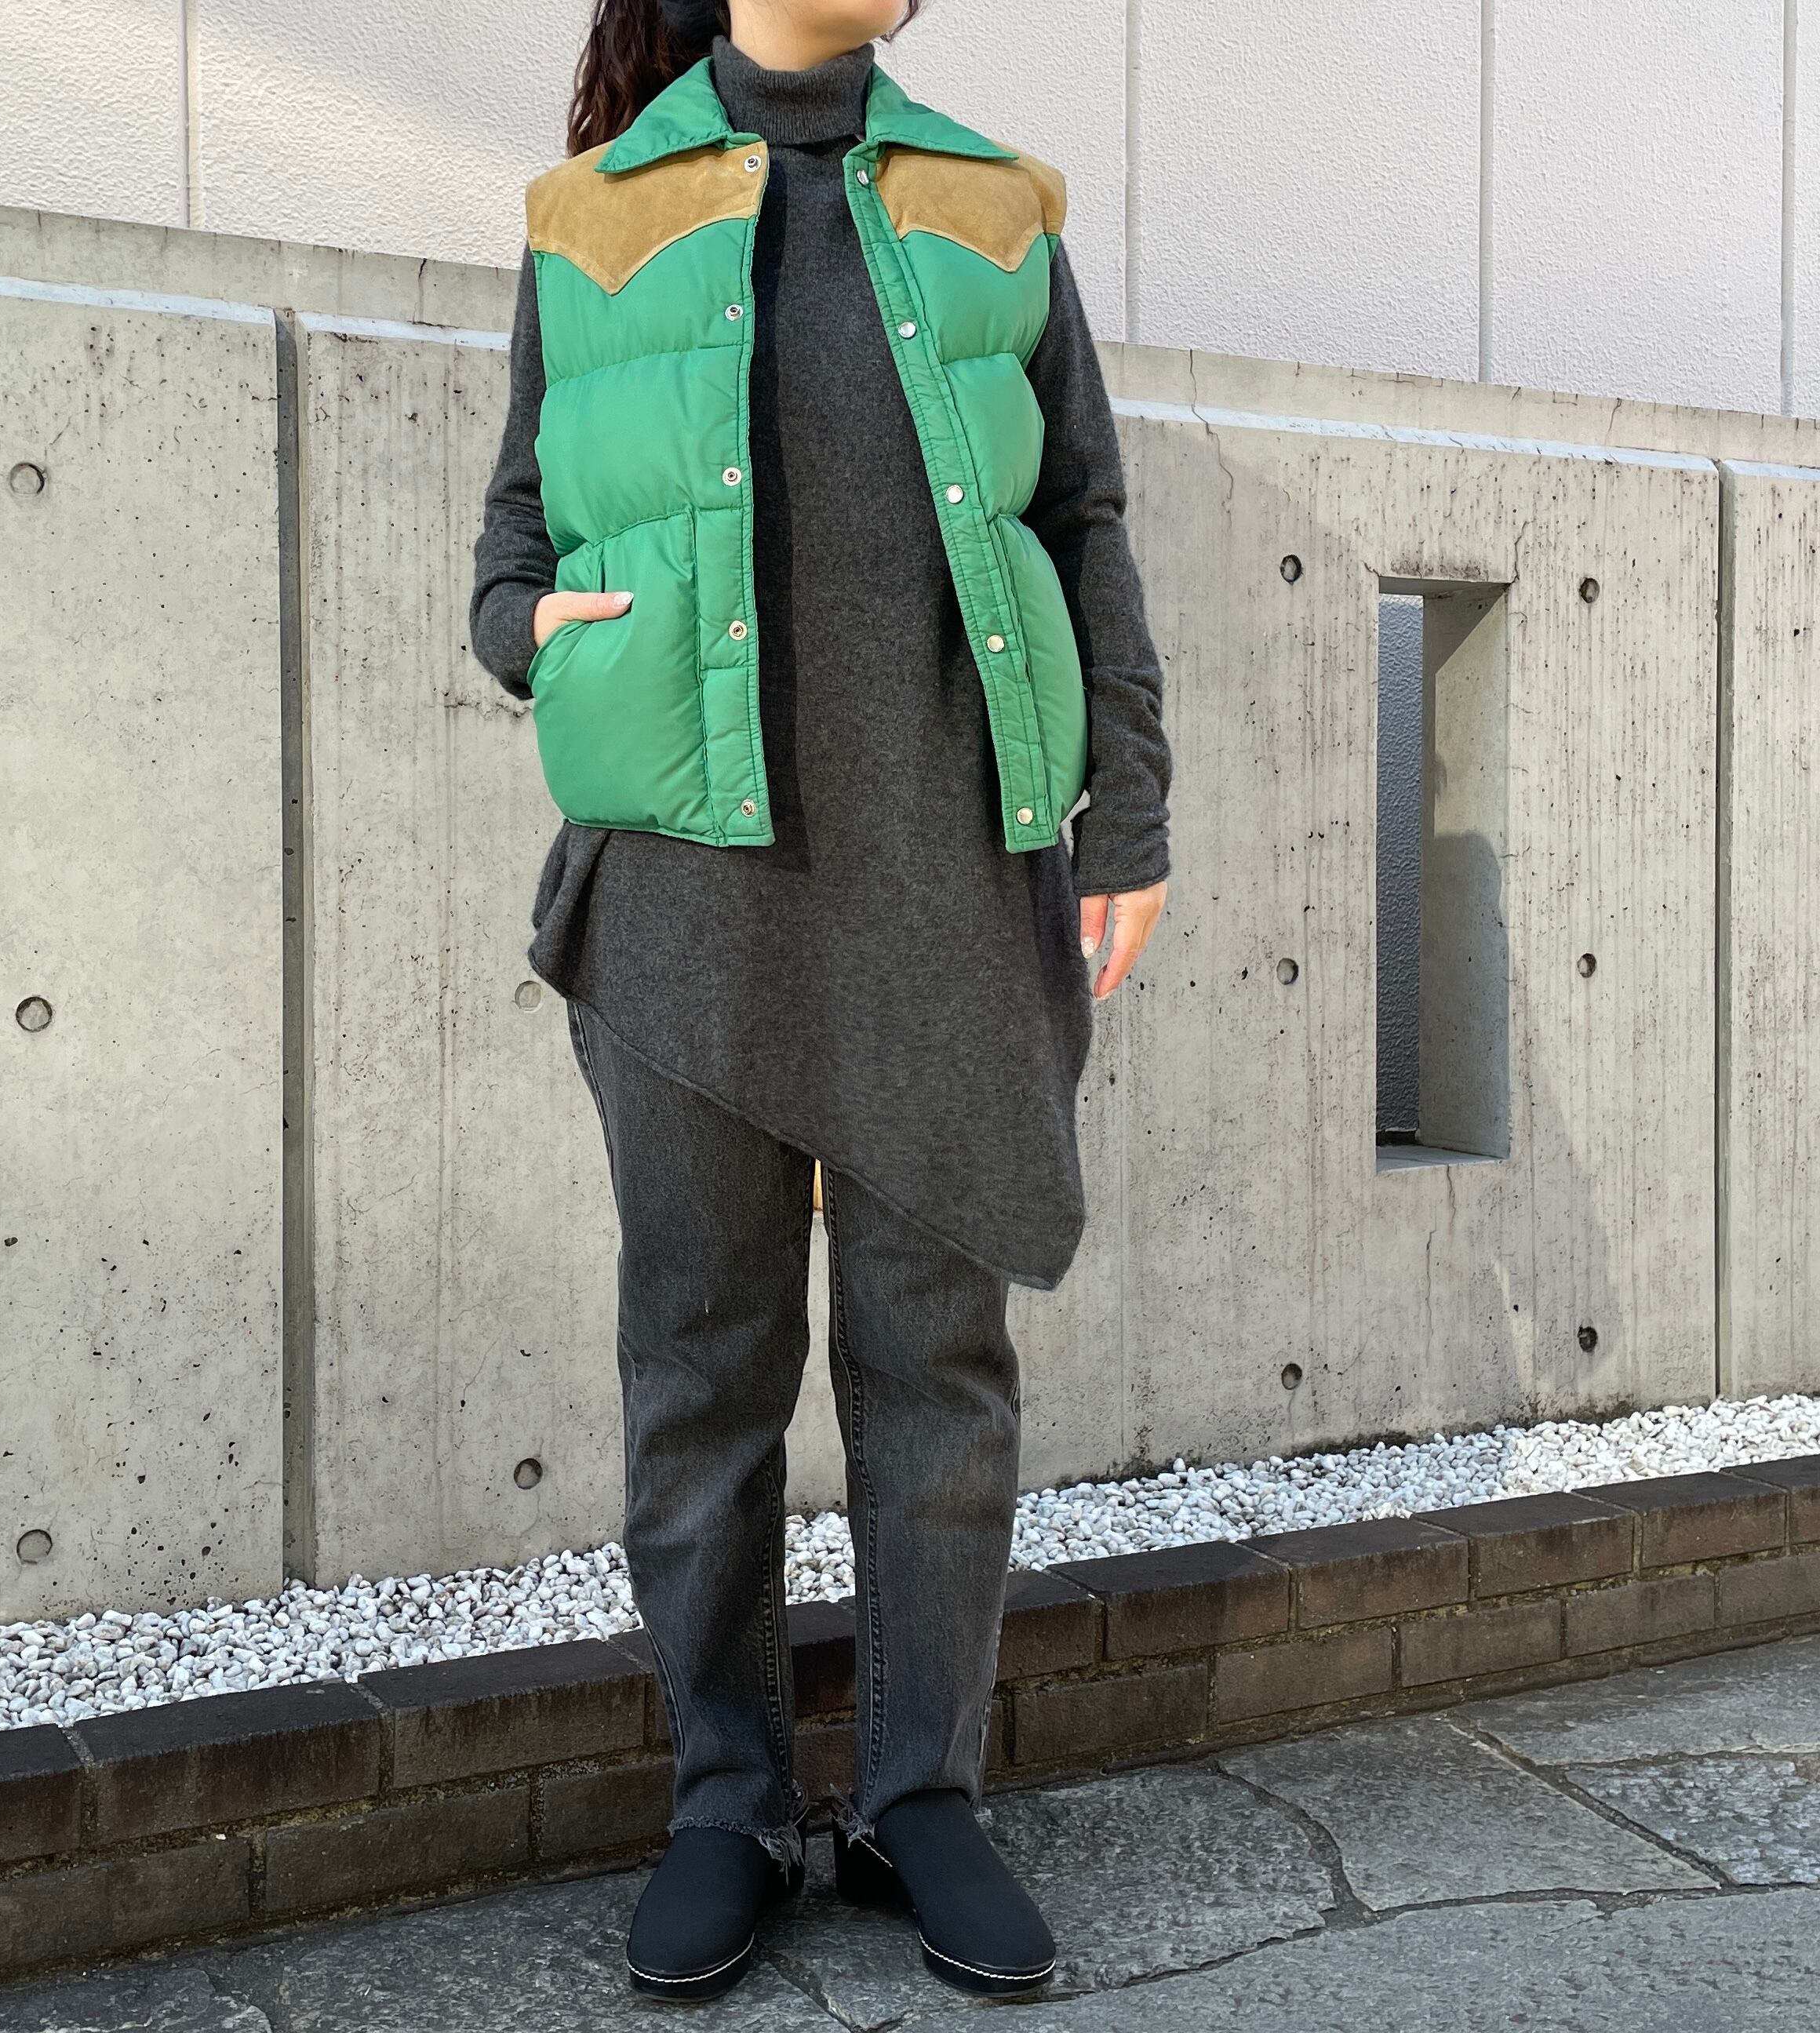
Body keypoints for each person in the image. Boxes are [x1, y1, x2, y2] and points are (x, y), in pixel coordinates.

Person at [470, 0, 1172, 2002]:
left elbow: (1084, 519)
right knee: (701, 1366)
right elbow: (509, 551)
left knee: (937, 1366)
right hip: (685, 897)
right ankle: (727, 1803)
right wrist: (544, 631)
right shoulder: (593, 216)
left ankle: (921, 1801)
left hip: (947, 888)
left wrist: (1127, 817)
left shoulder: (991, 203)